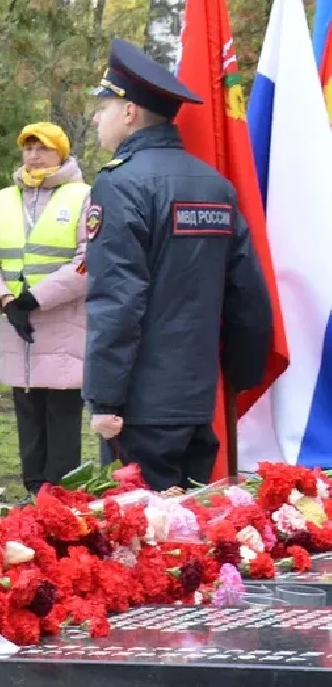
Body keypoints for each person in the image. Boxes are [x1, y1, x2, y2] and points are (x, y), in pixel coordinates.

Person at [84, 39, 274, 491]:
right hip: (199, 401)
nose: (96, 118)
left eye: (103, 107)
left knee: (143, 544)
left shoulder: (121, 183)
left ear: (129, 112)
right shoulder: (215, 185)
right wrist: (241, 377)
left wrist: (105, 399)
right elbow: (247, 295)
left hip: (140, 408)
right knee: (194, 538)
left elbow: (118, 301)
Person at [0, 123, 90, 496]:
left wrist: (36, 298)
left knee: (61, 416)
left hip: (62, 325)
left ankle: (60, 498)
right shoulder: (4, 198)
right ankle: (32, 491)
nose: (34, 156)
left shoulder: (83, 196)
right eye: (28, 149)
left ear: (62, 154)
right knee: (28, 414)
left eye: (43, 149)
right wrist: (4, 300)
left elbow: (89, 261)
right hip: (16, 324)